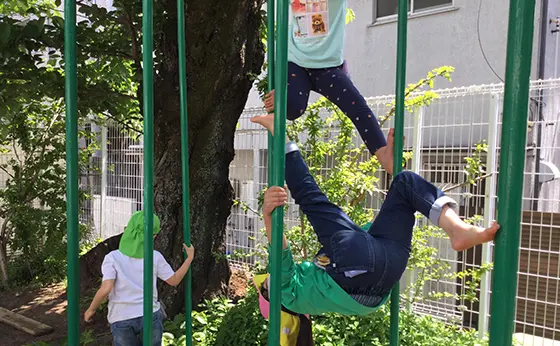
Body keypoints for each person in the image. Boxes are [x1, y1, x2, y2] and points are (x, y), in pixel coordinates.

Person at [251, 113, 499, 316]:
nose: (267, 277)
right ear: (271, 297)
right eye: (264, 285)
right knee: (310, 198)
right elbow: (280, 257)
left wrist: (393, 175)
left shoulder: (316, 287)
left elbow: (371, 238)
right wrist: (268, 216)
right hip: (352, 275)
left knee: (404, 183)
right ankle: (280, 135)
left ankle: (456, 229)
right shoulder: (288, 294)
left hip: (387, 268)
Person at [264, 0, 396, 174]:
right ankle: (283, 100)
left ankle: (383, 153)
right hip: (295, 59)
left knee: (357, 105)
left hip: (327, 65)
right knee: (292, 108)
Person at [84, 211, 195, 346]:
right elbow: (174, 280)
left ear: (126, 230)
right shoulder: (155, 257)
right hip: (150, 315)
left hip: (121, 317)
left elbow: (106, 288)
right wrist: (189, 259)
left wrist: (92, 309)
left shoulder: (112, 258)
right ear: (154, 237)